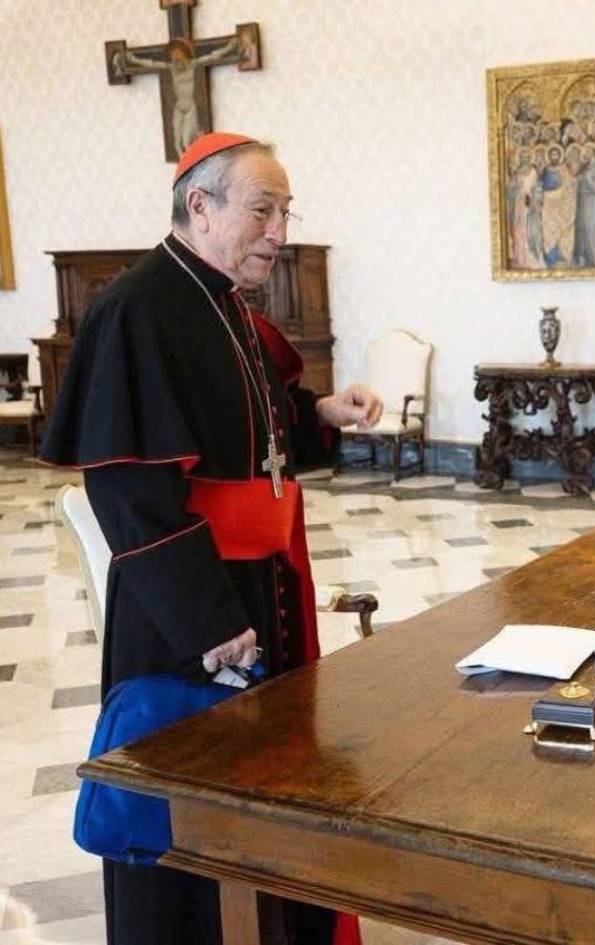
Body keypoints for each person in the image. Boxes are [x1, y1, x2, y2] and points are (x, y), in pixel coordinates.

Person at [40, 132, 382, 945]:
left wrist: (319, 413)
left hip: (262, 585)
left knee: (268, 788)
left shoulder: (226, 305)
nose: (279, 232)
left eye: (285, 213)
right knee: (194, 813)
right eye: (263, 211)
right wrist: (208, 621)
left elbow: (252, 432)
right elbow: (130, 488)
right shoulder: (137, 308)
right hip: (189, 615)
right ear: (200, 204)